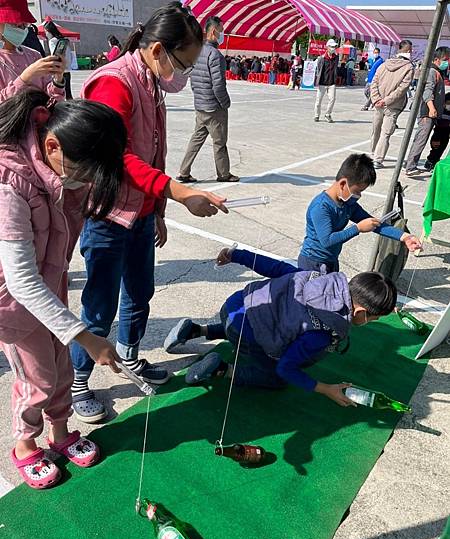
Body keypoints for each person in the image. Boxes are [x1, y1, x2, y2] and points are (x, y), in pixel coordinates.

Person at [70, 2, 227, 423]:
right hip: (107, 215)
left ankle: (131, 356)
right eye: (183, 62)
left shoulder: (151, 81)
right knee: (98, 307)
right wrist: (177, 192)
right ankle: (78, 382)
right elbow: (117, 156)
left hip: (140, 214)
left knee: (140, 293)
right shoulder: (114, 84)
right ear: (158, 49)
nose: (185, 73)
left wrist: (157, 209)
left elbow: (153, 153)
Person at [0, 90, 128, 488]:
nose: (86, 183)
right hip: (12, 303)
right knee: (36, 378)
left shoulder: (59, 165)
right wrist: (86, 336)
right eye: (85, 174)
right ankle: (24, 444)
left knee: (61, 367)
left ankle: (59, 433)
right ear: (52, 146)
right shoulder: (10, 185)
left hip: (49, 285)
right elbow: (20, 279)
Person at [164, 249, 397, 409]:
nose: (372, 322)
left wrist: (236, 255)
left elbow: (273, 267)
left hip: (235, 304)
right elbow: (287, 368)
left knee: (262, 321)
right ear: (360, 313)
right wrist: (325, 388)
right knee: (276, 377)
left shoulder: (315, 276)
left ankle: (198, 330)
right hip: (245, 332)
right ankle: (221, 369)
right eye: (374, 318)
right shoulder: (323, 332)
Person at [297, 154, 422, 273]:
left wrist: (405, 236)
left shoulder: (348, 204)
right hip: (312, 262)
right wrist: (358, 228)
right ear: (342, 184)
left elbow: (373, 223)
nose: (359, 195)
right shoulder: (321, 207)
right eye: (357, 191)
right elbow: (327, 241)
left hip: (331, 260)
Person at [177, 15, 239, 184]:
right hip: (214, 108)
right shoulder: (216, 56)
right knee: (220, 142)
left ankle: (184, 172)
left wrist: (198, 98)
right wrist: (225, 103)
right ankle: (224, 174)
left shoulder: (196, 53)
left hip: (200, 106)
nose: (222, 33)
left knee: (196, 139)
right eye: (221, 29)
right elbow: (218, 86)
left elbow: (193, 80)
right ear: (213, 31)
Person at [0, 0, 65, 102]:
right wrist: (26, 77)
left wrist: (58, 79)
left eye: (24, 26)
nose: (21, 30)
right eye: (15, 25)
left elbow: (53, 100)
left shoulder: (34, 55)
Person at [405, 47, 450, 176]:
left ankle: (410, 163)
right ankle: (410, 166)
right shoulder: (432, 72)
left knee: (421, 138)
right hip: (427, 112)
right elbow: (427, 92)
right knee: (421, 139)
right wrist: (431, 108)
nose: (446, 62)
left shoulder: (437, 72)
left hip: (432, 112)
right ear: (436, 59)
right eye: (445, 60)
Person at [370, 40, 414, 169]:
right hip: (392, 106)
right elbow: (402, 89)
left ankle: (373, 153)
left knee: (376, 130)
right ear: (408, 51)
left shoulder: (384, 64)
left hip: (378, 104)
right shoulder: (409, 67)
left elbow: (374, 82)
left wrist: (376, 99)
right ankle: (377, 159)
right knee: (385, 133)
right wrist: (386, 100)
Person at [44, 17, 73, 100]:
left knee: (59, 93)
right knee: (68, 93)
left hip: (59, 70)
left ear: (49, 31)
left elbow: (55, 55)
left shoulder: (52, 41)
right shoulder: (63, 40)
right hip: (67, 68)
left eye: (46, 31)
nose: (46, 34)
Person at [423, 91, 450, 171]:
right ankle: (430, 161)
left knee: (442, 147)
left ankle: (435, 160)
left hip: (446, 132)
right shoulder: (440, 110)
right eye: (448, 103)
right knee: (435, 147)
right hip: (438, 131)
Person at [314, 39, 339, 123]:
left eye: (334, 47)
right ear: (327, 47)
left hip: (332, 83)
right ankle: (317, 115)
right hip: (322, 83)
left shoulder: (336, 58)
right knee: (318, 101)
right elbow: (318, 70)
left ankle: (328, 114)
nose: (333, 48)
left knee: (332, 99)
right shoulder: (321, 58)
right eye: (331, 47)